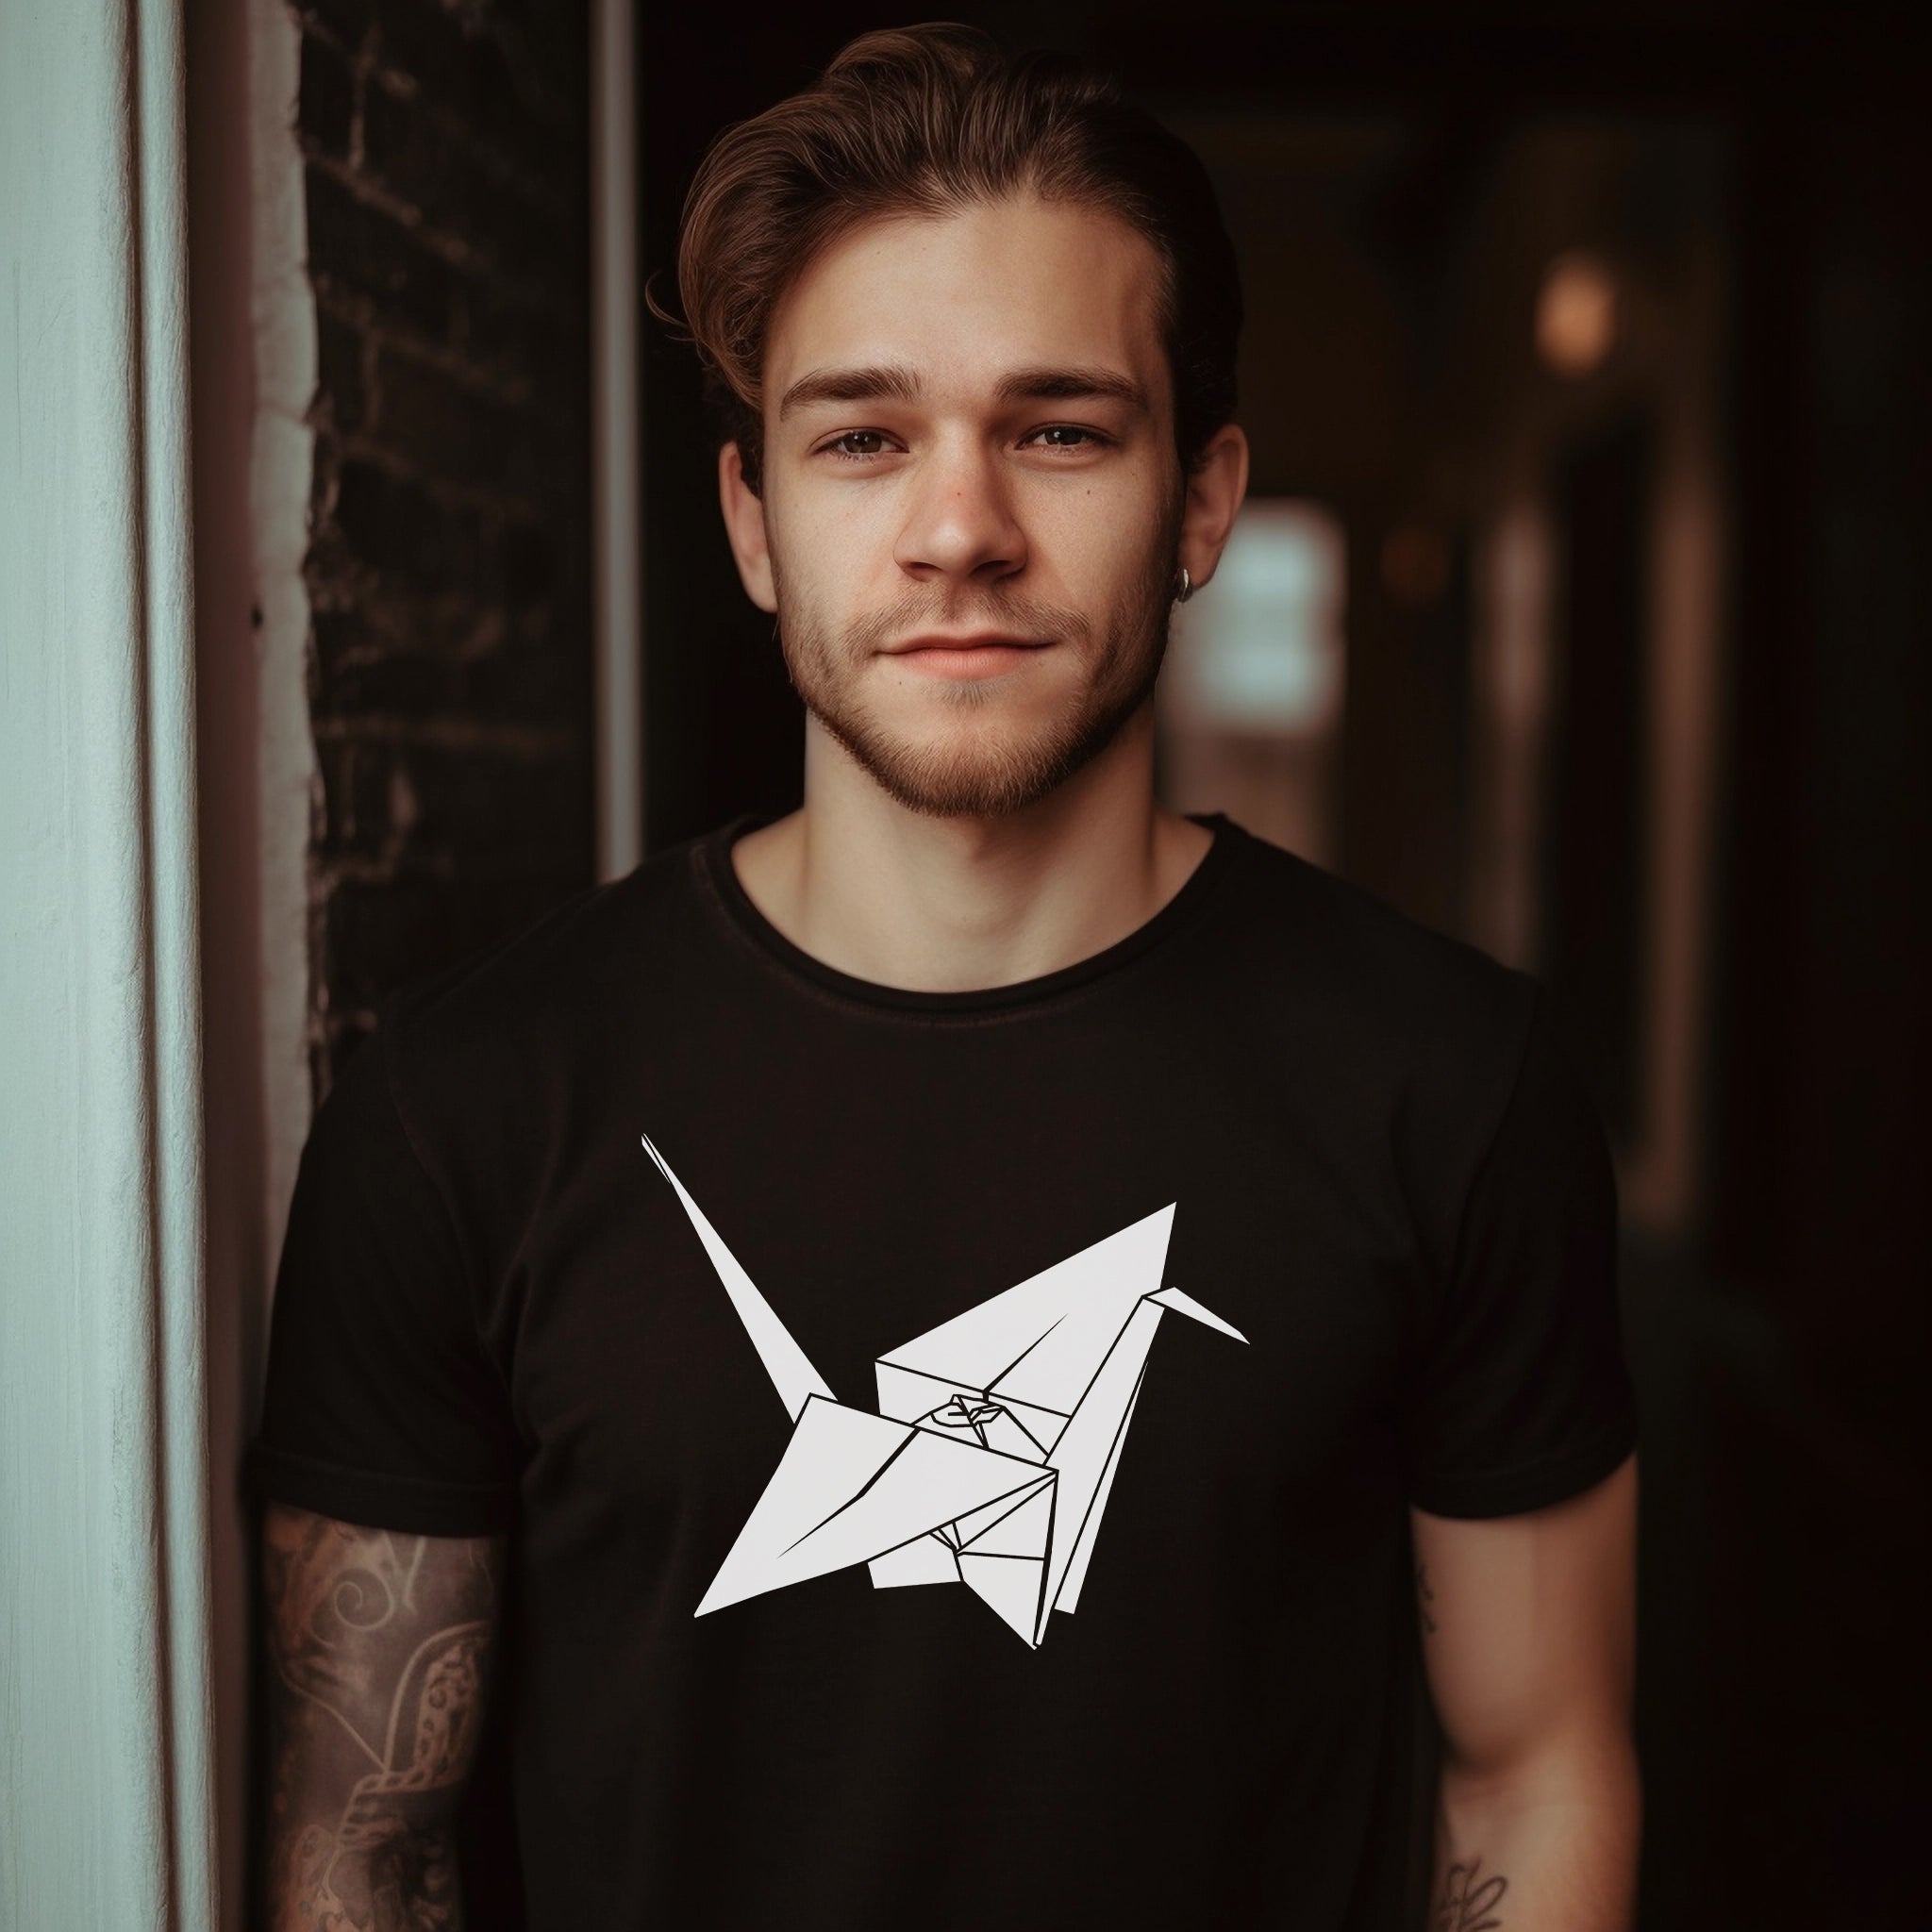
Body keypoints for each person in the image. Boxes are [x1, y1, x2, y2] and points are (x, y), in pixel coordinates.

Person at [252, 25, 1641, 1930]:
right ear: (754, 523)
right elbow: (362, 1845)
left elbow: (1534, 1772)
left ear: (1203, 502)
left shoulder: (1452, 1085)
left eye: (1060, 430)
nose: (961, 530)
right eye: (863, 438)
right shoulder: (462, 1114)